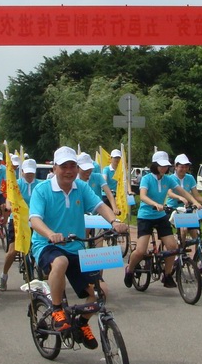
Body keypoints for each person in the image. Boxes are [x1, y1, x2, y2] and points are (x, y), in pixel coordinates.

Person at [28, 146, 127, 348]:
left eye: (72, 166)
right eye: (64, 166)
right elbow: (34, 219)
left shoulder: (80, 187)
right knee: (60, 261)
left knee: (101, 292)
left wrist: (114, 221)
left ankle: (81, 323)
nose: (69, 171)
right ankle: (57, 309)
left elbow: (100, 206)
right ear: (54, 168)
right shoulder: (42, 190)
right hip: (47, 245)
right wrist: (50, 234)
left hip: (76, 247)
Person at [123, 151, 193, 289]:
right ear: (154, 165)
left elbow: (182, 191)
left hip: (160, 216)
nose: (164, 168)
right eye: (161, 165)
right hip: (145, 216)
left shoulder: (168, 179)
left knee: (172, 247)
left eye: (166, 166)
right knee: (140, 251)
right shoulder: (147, 178)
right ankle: (130, 269)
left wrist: (194, 202)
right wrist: (155, 204)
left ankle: (167, 275)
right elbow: (142, 196)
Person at [0, 157, 39, 290]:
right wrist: (9, 206)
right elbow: (9, 199)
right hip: (17, 219)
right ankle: (4, 275)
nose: (29, 175)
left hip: (34, 220)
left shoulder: (40, 185)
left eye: (31, 172)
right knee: (13, 250)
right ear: (22, 172)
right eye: (27, 172)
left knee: (38, 246)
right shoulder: (16, 184)